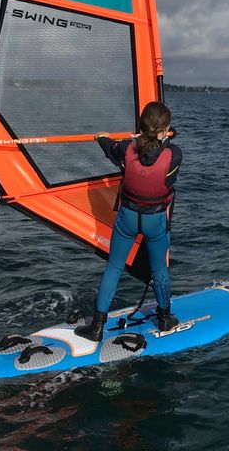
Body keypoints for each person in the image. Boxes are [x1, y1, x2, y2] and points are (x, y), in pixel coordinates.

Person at [74, 101, 182, 342]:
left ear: (141, 126)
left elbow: (109, 146)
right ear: (165, 130)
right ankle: (165, 318)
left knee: (114, 267)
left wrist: (101, 137)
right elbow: (166, 148)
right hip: (155, 221)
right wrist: (163, 135)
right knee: (159, 269)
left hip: (128, 219)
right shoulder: (174, 155)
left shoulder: (126, 149)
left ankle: (97, 327)